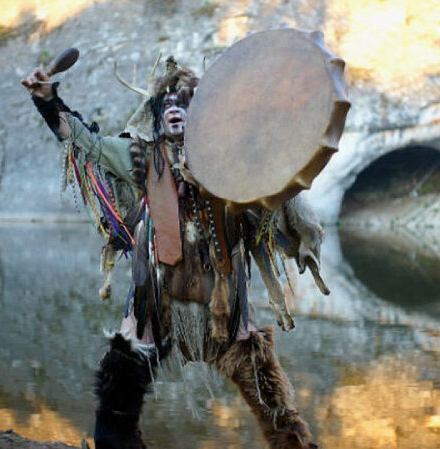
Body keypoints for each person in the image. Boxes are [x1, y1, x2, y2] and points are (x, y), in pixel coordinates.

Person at [22, 56, 326, 449]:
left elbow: (275, 186)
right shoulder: (140, 157)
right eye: (166, 103)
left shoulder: (231, 159)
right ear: (156, 114)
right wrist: (48, 100)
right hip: (158, 295)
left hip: (222, 300)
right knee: (120, 385)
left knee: (269, 394)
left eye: (184, 101)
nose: (175, 109)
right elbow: (86, 142)